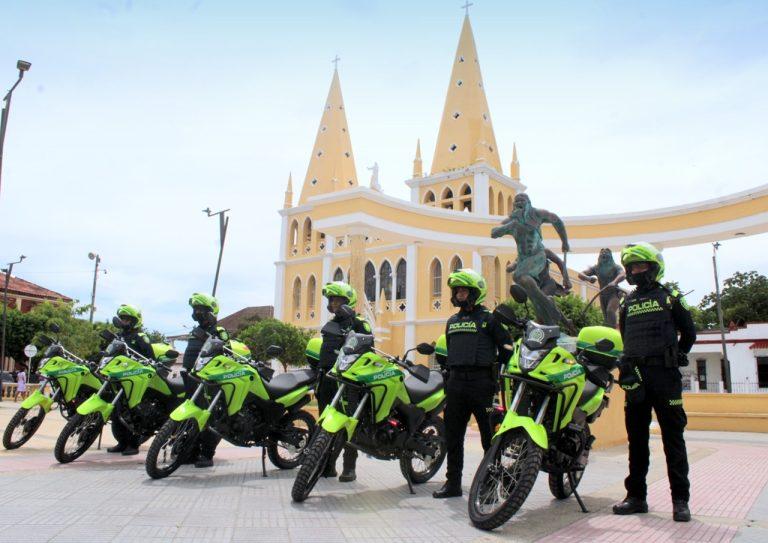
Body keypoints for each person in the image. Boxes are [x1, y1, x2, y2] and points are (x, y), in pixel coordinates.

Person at [613, 242, 697, 523]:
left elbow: (689, 332)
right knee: (637, 441)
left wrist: (679, 355)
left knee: (673, 439)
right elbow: (623, 337)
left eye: (640, 265)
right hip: (635, 378)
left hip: (665, 376)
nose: (635, 271)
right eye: (631, 266)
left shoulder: (670, 296)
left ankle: (680, 501)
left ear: (654, 267)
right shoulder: (626, 302)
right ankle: (636, 497)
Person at [433, 268, 511, 499]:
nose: (459, 294)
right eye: (456, 290)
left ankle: (490, 486)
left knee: (489, 438)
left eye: (464, 290)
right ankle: (453, 484)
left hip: (482, 386)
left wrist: (497, 369)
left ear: (476, 292)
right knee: (453, 437)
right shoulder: (452, 321)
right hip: (456, 385)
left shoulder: (490, 319)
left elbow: (507, 348)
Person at [316, 281, 372, 483]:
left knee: (349, 425)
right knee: (324, 425)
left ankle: (349, 467)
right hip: (327, 380)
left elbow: (368, 348)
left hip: (349, 383)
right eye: (331, 300)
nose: (334, 304)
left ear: (349, 301)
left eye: (338, 300)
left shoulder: (359, 323)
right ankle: (325, 465)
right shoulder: (331, 324)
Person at [182, 293, 230, 468]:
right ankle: (189, 451)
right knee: (190, 417)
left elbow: (228, 352)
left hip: (209, 383)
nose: (197, 312)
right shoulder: (194, 331)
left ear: (211, 311)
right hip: (189, 378)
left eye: (201, 309)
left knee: (209, 417)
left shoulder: (219, 331)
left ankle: (207, 453)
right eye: (195, 309)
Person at [107, 304, 156, 456]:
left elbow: (150, 358)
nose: (124, 322)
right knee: (116, 413)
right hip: (118, 377)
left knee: (132, 412)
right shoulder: (119, 337)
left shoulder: (141, 337)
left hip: (134, 380)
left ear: (135, 321)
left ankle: (133, 444)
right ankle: (122, 443)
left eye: (127, 319)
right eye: (122, 319)